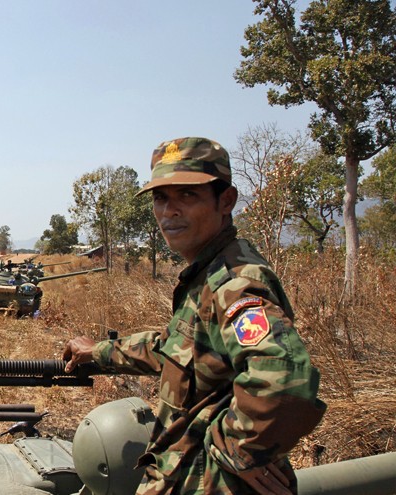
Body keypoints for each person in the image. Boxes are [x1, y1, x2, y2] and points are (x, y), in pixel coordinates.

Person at [62, 137, 325, 494]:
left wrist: (235, 451)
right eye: (160, 198)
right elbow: (175, 349)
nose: (169, 211)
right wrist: (98, 352)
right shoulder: (208, 272)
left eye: (187, 195)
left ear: (226, 201)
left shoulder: (234, 281)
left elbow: (284, 377)